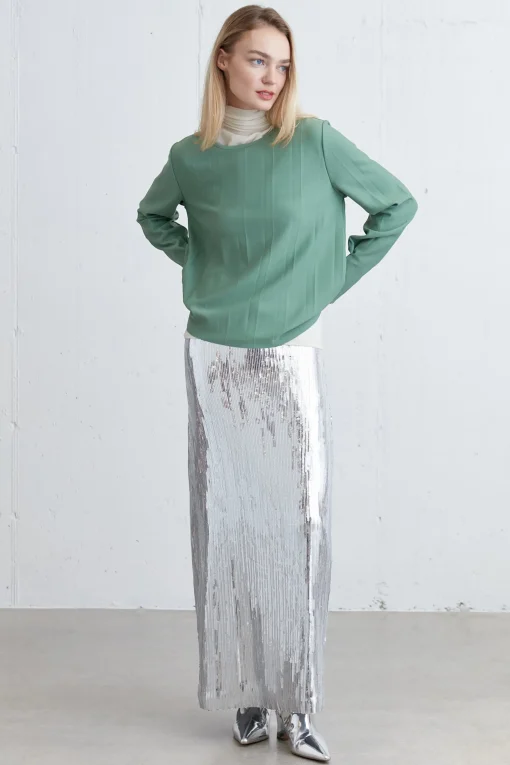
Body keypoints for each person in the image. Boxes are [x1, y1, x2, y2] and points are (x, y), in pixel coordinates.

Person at [136, 5, 418, 761]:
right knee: (225, 525)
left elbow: (397, 205)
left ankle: (299, 703)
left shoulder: (314, 141)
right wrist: (206, 268)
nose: (272, 77)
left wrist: (328, 281)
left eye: (283, 64)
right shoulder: (190, 156)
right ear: (224, 59)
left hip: (291, 355)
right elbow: (154, 217)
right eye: (259, 59)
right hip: (213, 357)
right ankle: (247, 695)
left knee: (301, 526)